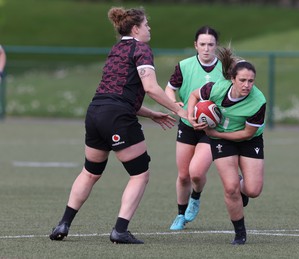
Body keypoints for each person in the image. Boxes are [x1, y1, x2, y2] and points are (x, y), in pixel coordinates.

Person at [49, 6, 186, 244]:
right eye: (146, 25)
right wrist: (178, 109)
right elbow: (151, 88)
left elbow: (116, 95)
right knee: (140, 174)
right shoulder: (141, 48)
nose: (149, 28)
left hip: (95, 113)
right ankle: (120, 230)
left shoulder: (116, 49)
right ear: (135, 29)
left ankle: (63, 223)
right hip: (116, 117)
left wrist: (152, 114)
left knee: (90, 172)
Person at [187, 46, 266, 245]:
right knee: (230, 188)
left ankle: (242, 187)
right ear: (232, 79)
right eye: (242, 80)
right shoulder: (217, 88)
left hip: (249, 139)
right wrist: (191, 117)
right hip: (221, 140)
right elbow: (194, 96)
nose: (247, 85)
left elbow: (247, 133)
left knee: (253, 190)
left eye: (251, 81)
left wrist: (216, 132)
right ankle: (240, 233)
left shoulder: (258, 101)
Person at [165, 26, 223, 230]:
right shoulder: (184, 65)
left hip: (212, 129)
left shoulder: (226, 67)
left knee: (196, 173)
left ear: (216, 46)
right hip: (188, 125)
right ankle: (180, 215)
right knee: (183, 175)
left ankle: (195, 198)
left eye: (211, 44)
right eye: (202, 44)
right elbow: (169, 89)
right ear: (195, 45)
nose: (206, 49)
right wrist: (175, 104)